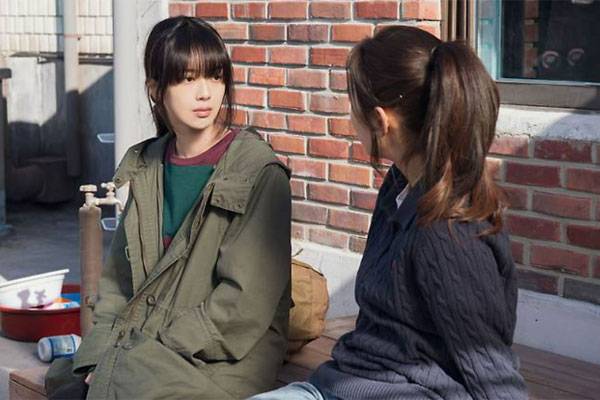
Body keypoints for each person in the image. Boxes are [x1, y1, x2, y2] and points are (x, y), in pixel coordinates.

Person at [250, 26, 527, 400]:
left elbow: (491, 369)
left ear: (381, 121)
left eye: (353, 104)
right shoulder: (400, 188)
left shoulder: (446, 232)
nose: (350, 116)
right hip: (345, 383)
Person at [45, 16, 292, 399]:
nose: (205, 93)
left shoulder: (257, 172)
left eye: (215, 76)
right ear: (156, 89)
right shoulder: (147, 167)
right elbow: (117, 284)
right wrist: (101, 357)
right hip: (144, 346)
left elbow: (242, 306)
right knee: (66, 383)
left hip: (222, 359)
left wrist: (132, 360)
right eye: (188, 79)